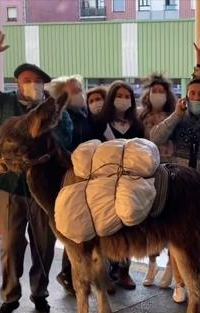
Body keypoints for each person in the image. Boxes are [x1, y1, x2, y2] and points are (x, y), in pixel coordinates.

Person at [0, 30, 72, 313]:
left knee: (44, 244)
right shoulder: (5, 104)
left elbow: (65, 141)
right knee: (12, 245)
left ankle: (40, 293)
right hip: (11, 189)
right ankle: (10, 296)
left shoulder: (53, 112)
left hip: (45, 191)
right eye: (28, 81)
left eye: (38, 81)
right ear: (18, 84)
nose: (33, 85)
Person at [150, 77, 200, 301]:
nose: (196, 97)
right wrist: (176, 114)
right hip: (180, 188)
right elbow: (155, 137)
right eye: (192, 93)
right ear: (186, 97)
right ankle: (180, 283)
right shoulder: (178, 120)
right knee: (177, 238)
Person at [46, 75, 103, 296]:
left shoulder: (84, 114)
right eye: (74, 91)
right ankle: (67, 272)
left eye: (80, 89)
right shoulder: (63, 118)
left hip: (88, 176)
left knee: (86, 226)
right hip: (71, 177)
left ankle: (83, 271)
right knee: (74, 226)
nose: (80, 94)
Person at [100, 80, 144, 290]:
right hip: (106, 181)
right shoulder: (100, 122)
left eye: (128, 96)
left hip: (130, 181)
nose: (123, 100)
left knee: (128, 224)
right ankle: (107, 273)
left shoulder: (136, 124)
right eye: (119, 96)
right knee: (107, 226)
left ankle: (125, 271)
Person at [138, 73, 177, 287]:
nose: (158, 95)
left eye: (162, 91)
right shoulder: (140, 115)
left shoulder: (174, 114)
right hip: (148, 171)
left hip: (171, 170)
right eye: (155, 91)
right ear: (148, 93)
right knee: (151, 219)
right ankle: (151, 265)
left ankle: (171, 266)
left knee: (171, 218)